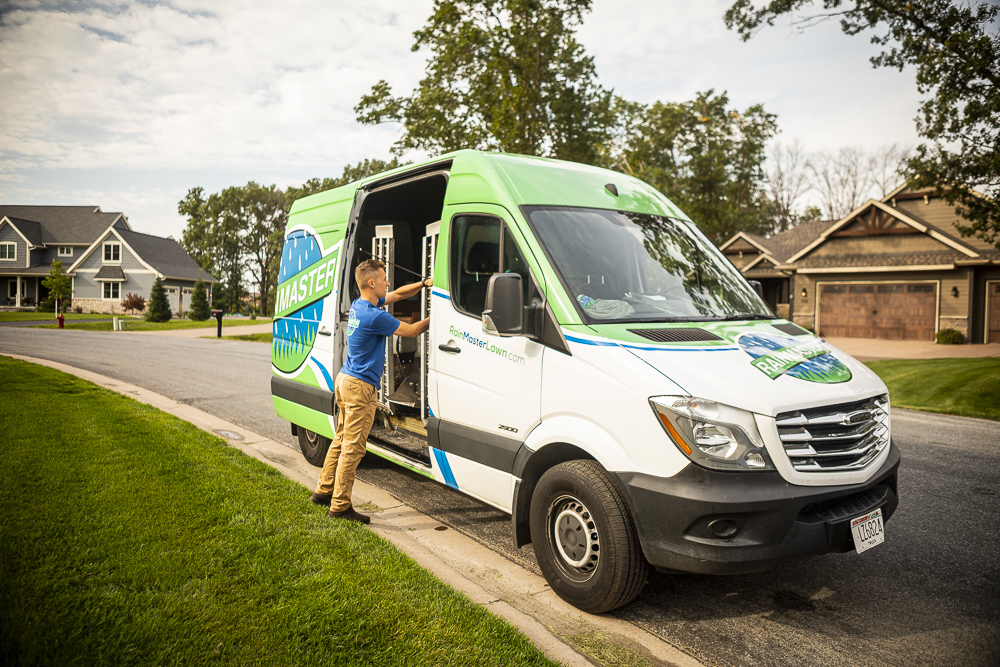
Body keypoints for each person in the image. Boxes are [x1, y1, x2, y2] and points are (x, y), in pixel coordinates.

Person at [310, 259, 431, 524]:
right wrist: (438, 318)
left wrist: (423, 284)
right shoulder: (375, 316)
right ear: (372, 282)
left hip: (345, 380)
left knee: (341, 439)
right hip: (360, 387)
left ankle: (323, 489)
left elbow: (399, 294)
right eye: (385, 278)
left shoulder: (359, 305)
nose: (388, 283)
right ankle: (340, 506)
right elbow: (411, 330)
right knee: (353, 448)